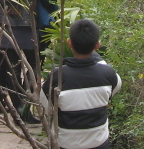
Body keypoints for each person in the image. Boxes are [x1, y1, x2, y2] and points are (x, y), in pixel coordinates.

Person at [40, 19, 122, 149]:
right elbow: (116, 87)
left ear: (69, 43)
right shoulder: (108, 74)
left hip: (66, 144)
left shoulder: (57, 77)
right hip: (99, 143)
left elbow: (45, 107)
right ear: (97, 45)